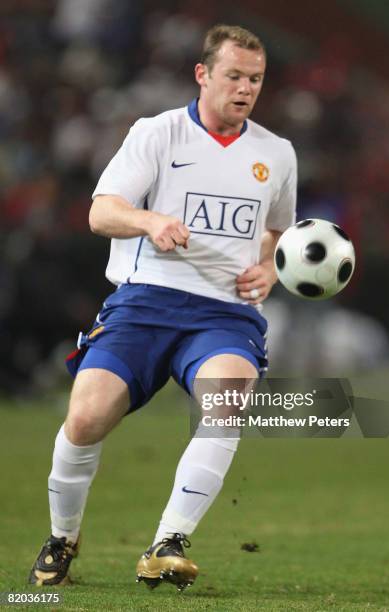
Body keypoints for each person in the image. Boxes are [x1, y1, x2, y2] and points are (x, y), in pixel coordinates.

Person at [28, 23, 297, 592]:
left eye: (256, 79)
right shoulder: (158, 133)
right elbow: (103, 212)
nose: (245, 88)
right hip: (144, 302)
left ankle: (166, 543)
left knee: (226, 402)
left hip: (224, 313)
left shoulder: (277, 154)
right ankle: (62, 538)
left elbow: (277, 233)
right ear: (203, 74)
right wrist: (150, 220)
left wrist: (269, 267)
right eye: (234, 76)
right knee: (85, 418)